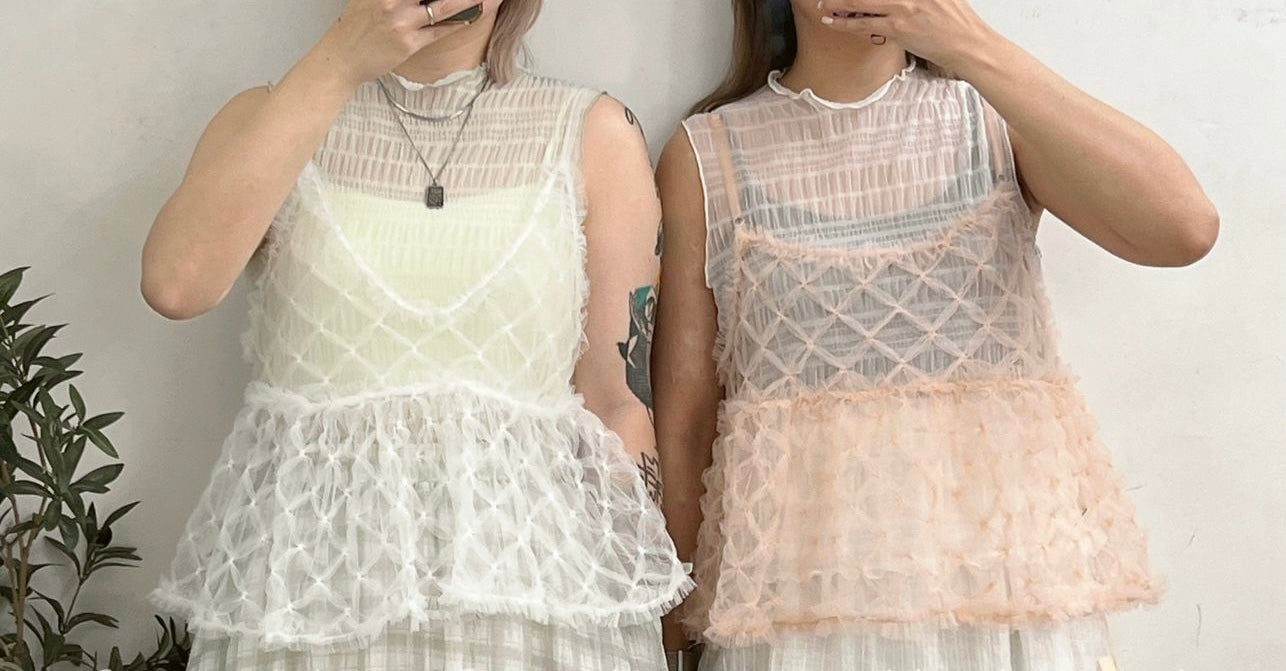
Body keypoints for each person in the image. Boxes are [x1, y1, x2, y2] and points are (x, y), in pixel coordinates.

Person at [653, 0, 1218, 669]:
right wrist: (678, 631)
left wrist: (969, 43)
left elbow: (1184, 229)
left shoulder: (992, 120)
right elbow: (687, 423)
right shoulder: (707, 154)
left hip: (1008, 595)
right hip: (804, 610)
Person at [142, 1, 691, 668]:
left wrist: (640, 606)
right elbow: (177, 284)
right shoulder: (268, 116)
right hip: (314, 594)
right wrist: (339, 61)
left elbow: (617, 403)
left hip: (532, 596)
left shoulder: (593, 132)